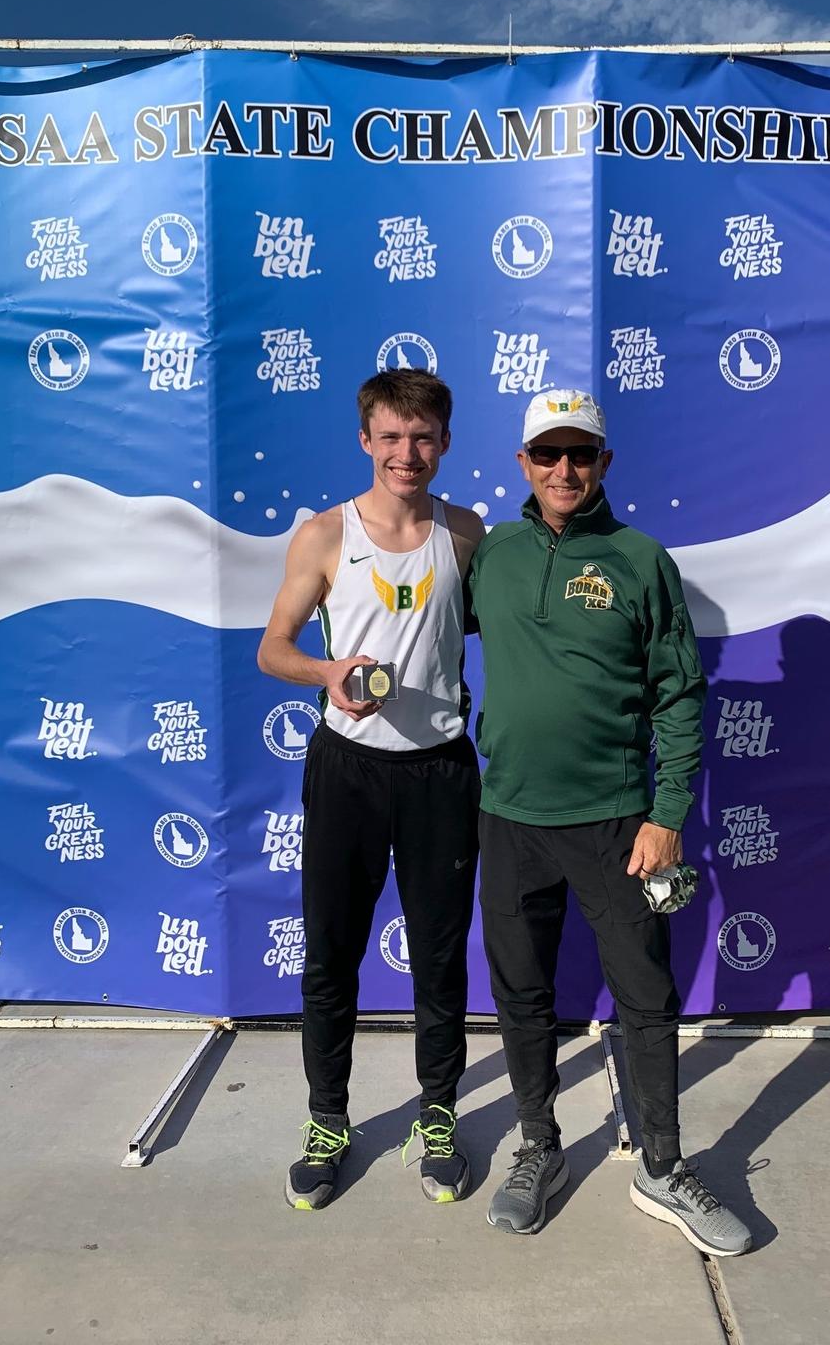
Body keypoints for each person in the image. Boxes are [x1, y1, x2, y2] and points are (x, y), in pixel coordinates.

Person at [466, 389, 751, 1255]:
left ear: (604, 463)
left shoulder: (640, 559)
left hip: (619, 823)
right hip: (509, 816)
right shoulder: (493, 552)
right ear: (523, 464)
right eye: (548, 454)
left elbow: (679, 693)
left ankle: (662, 1167)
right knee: (521, 992)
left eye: (580, 454)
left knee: (645, 996)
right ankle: (539, 1148)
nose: (564, 469)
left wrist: (668, 815)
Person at [258, 369, 484, 1211]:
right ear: (365, 441)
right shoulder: (324, 535)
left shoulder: (467, 534)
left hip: (440, 771)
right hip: (347, 770)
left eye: (422, 437)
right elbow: (273, 648)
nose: (406, 453)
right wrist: (326, 673)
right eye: (390, 436)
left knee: (440, 958)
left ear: (445, 443)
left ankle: (438, 1116)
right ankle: (328, 1121)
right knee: (331, 955)